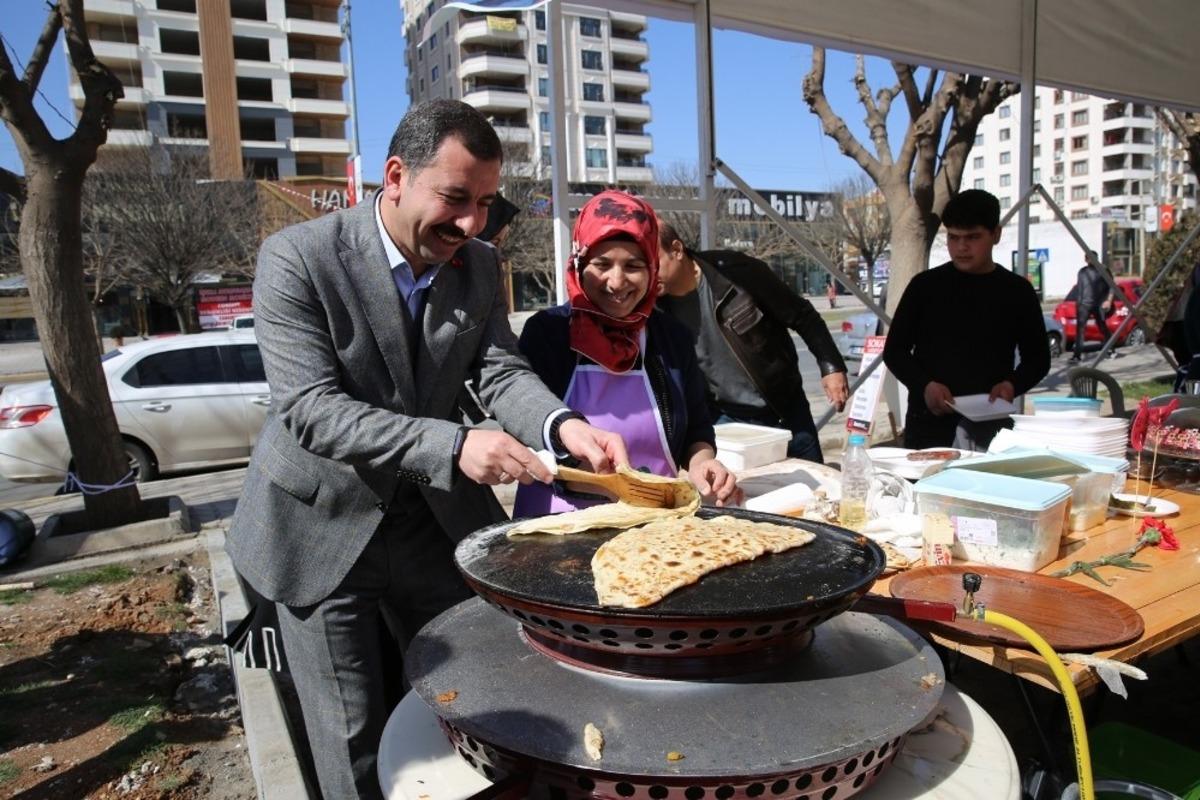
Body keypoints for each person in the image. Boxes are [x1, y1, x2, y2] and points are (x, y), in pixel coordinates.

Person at [225, 99, 627, 800]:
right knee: (349, 736)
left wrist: (564, 427)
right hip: (322, 530)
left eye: (485, 203)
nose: (471, 223)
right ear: (395, 175)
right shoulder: (298, 258)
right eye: (455, 198)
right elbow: (310, 411)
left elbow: (499, 370)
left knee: (469, 695)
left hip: (428, 525)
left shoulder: (477, 265)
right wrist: (456, 444)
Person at [515, 191, 740, 515]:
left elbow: (696, 429)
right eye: (602, 264)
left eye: (633, 265)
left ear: (652, 269)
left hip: (653, 523)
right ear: (579, 264)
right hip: (557, 519)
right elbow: (520, 423)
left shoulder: (672, 338)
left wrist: (703, 464)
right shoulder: (547, 332)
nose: (617, 281)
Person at [656, 221, 850, 464]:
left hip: (785, 411)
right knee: (741, 499)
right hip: (724, 420)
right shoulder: (653, 309)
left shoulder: (736, 272)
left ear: (676, 249)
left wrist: (831, 367)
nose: (647, 274)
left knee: (812, 491)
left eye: (653, 262)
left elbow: (802, 315)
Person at [882, 189, 1050, 451]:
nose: (961, 247)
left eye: (973, 237)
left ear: (996, 234)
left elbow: (1038, 358)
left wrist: (1012, 386)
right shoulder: (925, 287)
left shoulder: (1017, 291)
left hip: (991, 425)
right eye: (953, 237)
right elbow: (895, 351)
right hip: (929, 424)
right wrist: (925, 386)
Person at [1070, 255, 1117, 362]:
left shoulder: (1103, 270)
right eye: (1087, 258)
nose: (1089, 260)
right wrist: (1078, 303)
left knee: (1102, 327)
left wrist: (1108, 301)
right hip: (1083, 305)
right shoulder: (1082, 272)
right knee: (1080, 330)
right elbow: (1080, 288)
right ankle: (1077, 356)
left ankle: (1111, 349)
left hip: (1098, 304)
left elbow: (1112, 286)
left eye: (1091, 257)